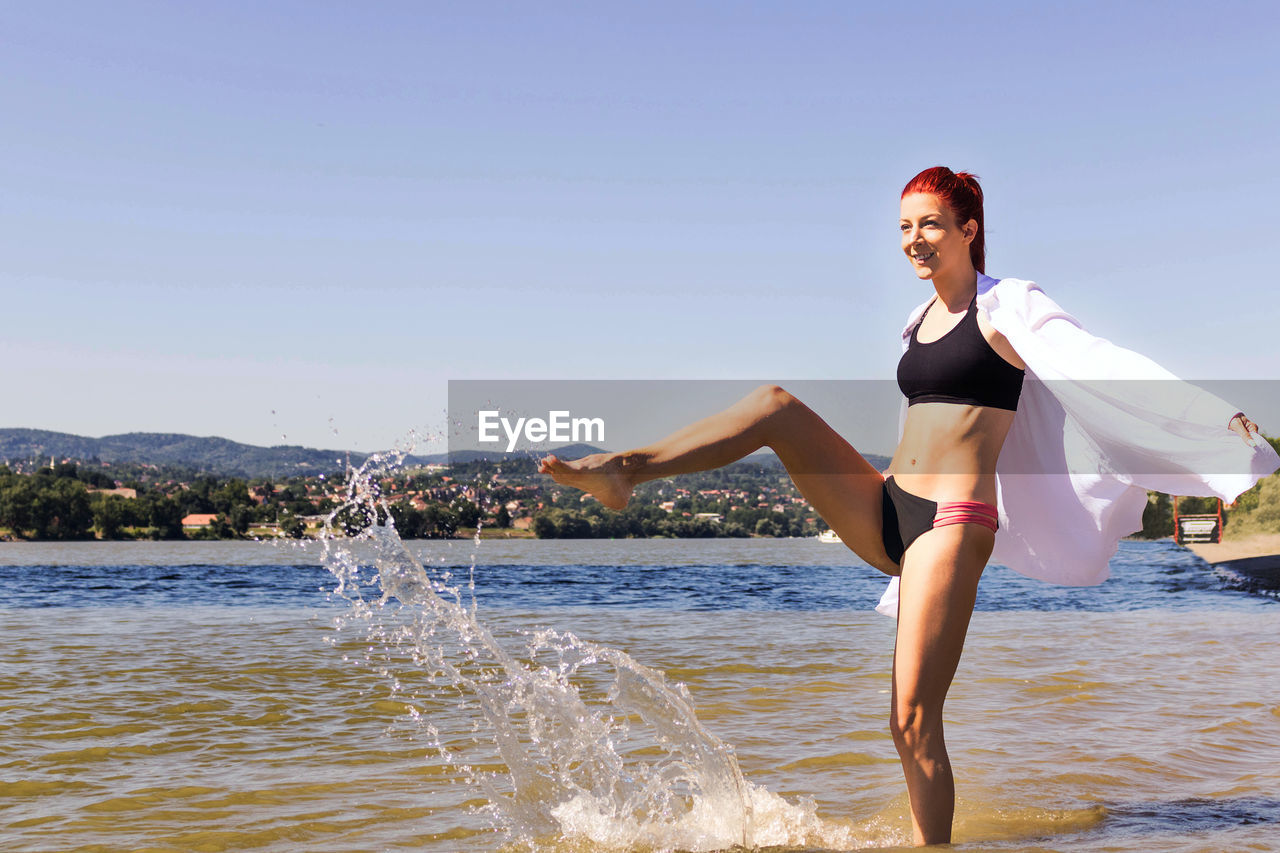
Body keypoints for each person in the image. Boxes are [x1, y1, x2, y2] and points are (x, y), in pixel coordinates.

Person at [538, 166, 1277, 846]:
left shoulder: (1007, 303)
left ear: (967, 229)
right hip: (893, 504)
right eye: (902, 228)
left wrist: (1207, 419)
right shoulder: (916, 321)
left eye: (928, 224)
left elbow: (1096, 363)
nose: (913, 241)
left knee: (912, 720)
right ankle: (626, 470)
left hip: (955, 522)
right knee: (773, 405)